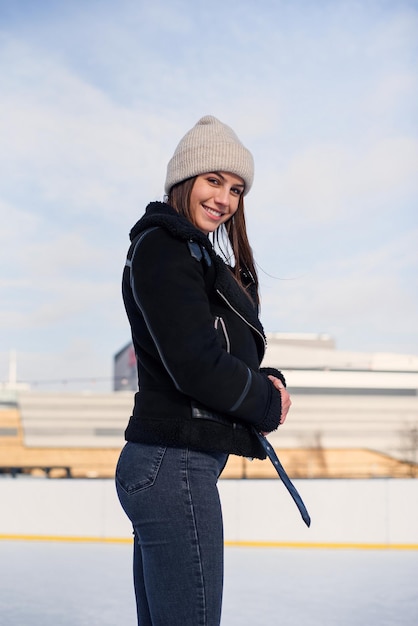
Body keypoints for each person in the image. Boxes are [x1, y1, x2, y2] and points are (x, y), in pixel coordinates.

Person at [115, 115, 291, 626]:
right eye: (214, 180)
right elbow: (195, 365)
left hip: (177, 465)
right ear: (183, 180)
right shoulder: (165, 248)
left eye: (236, 189)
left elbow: (219, 351)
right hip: (174, 465)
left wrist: (266, 379)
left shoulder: (192, 253)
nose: (226, 198)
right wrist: (266, 402)